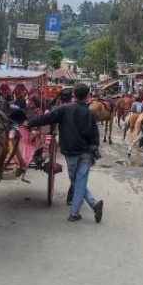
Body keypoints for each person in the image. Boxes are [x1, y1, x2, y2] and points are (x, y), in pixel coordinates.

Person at [28, 83, 104, 223]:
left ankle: (78, 212)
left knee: (76, 180)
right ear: (87, 96)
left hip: (71, 152)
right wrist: (95, 150)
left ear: (74, 95)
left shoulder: (64, 109)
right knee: (79, 180)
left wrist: (29, 123)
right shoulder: (89, 113)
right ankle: (91, 205)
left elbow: (46, 118)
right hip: (86, 152)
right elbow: (95, 134)